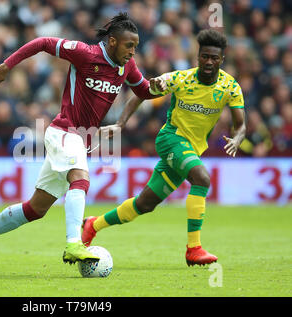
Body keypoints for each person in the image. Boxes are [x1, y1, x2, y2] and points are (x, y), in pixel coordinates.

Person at [0, 12, 158, 274]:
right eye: (129, 45)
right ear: (113, 42)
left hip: (78, 141)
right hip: (63, 131)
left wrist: (167, 85)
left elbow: (143, 91)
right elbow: (43, 42)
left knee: (35, 209)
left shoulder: (126, 66)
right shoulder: (85, 53)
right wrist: (7, 65)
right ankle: (73, 243)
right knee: (80, 179)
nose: (133, 52)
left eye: (136, 47)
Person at [82, 29, 246, 266]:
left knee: (144, 204)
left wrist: (238, 138)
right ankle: (194, 249)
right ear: (198, 57)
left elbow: (240, 125)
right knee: (201, 178)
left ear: (222, 60)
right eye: (205, 56)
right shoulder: (180, 79)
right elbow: (141, 93)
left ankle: (93, 224)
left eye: (214, 58)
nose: (209, 61)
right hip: (171, 138)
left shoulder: (230, 87)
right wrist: (120, 123)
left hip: (192, 148)